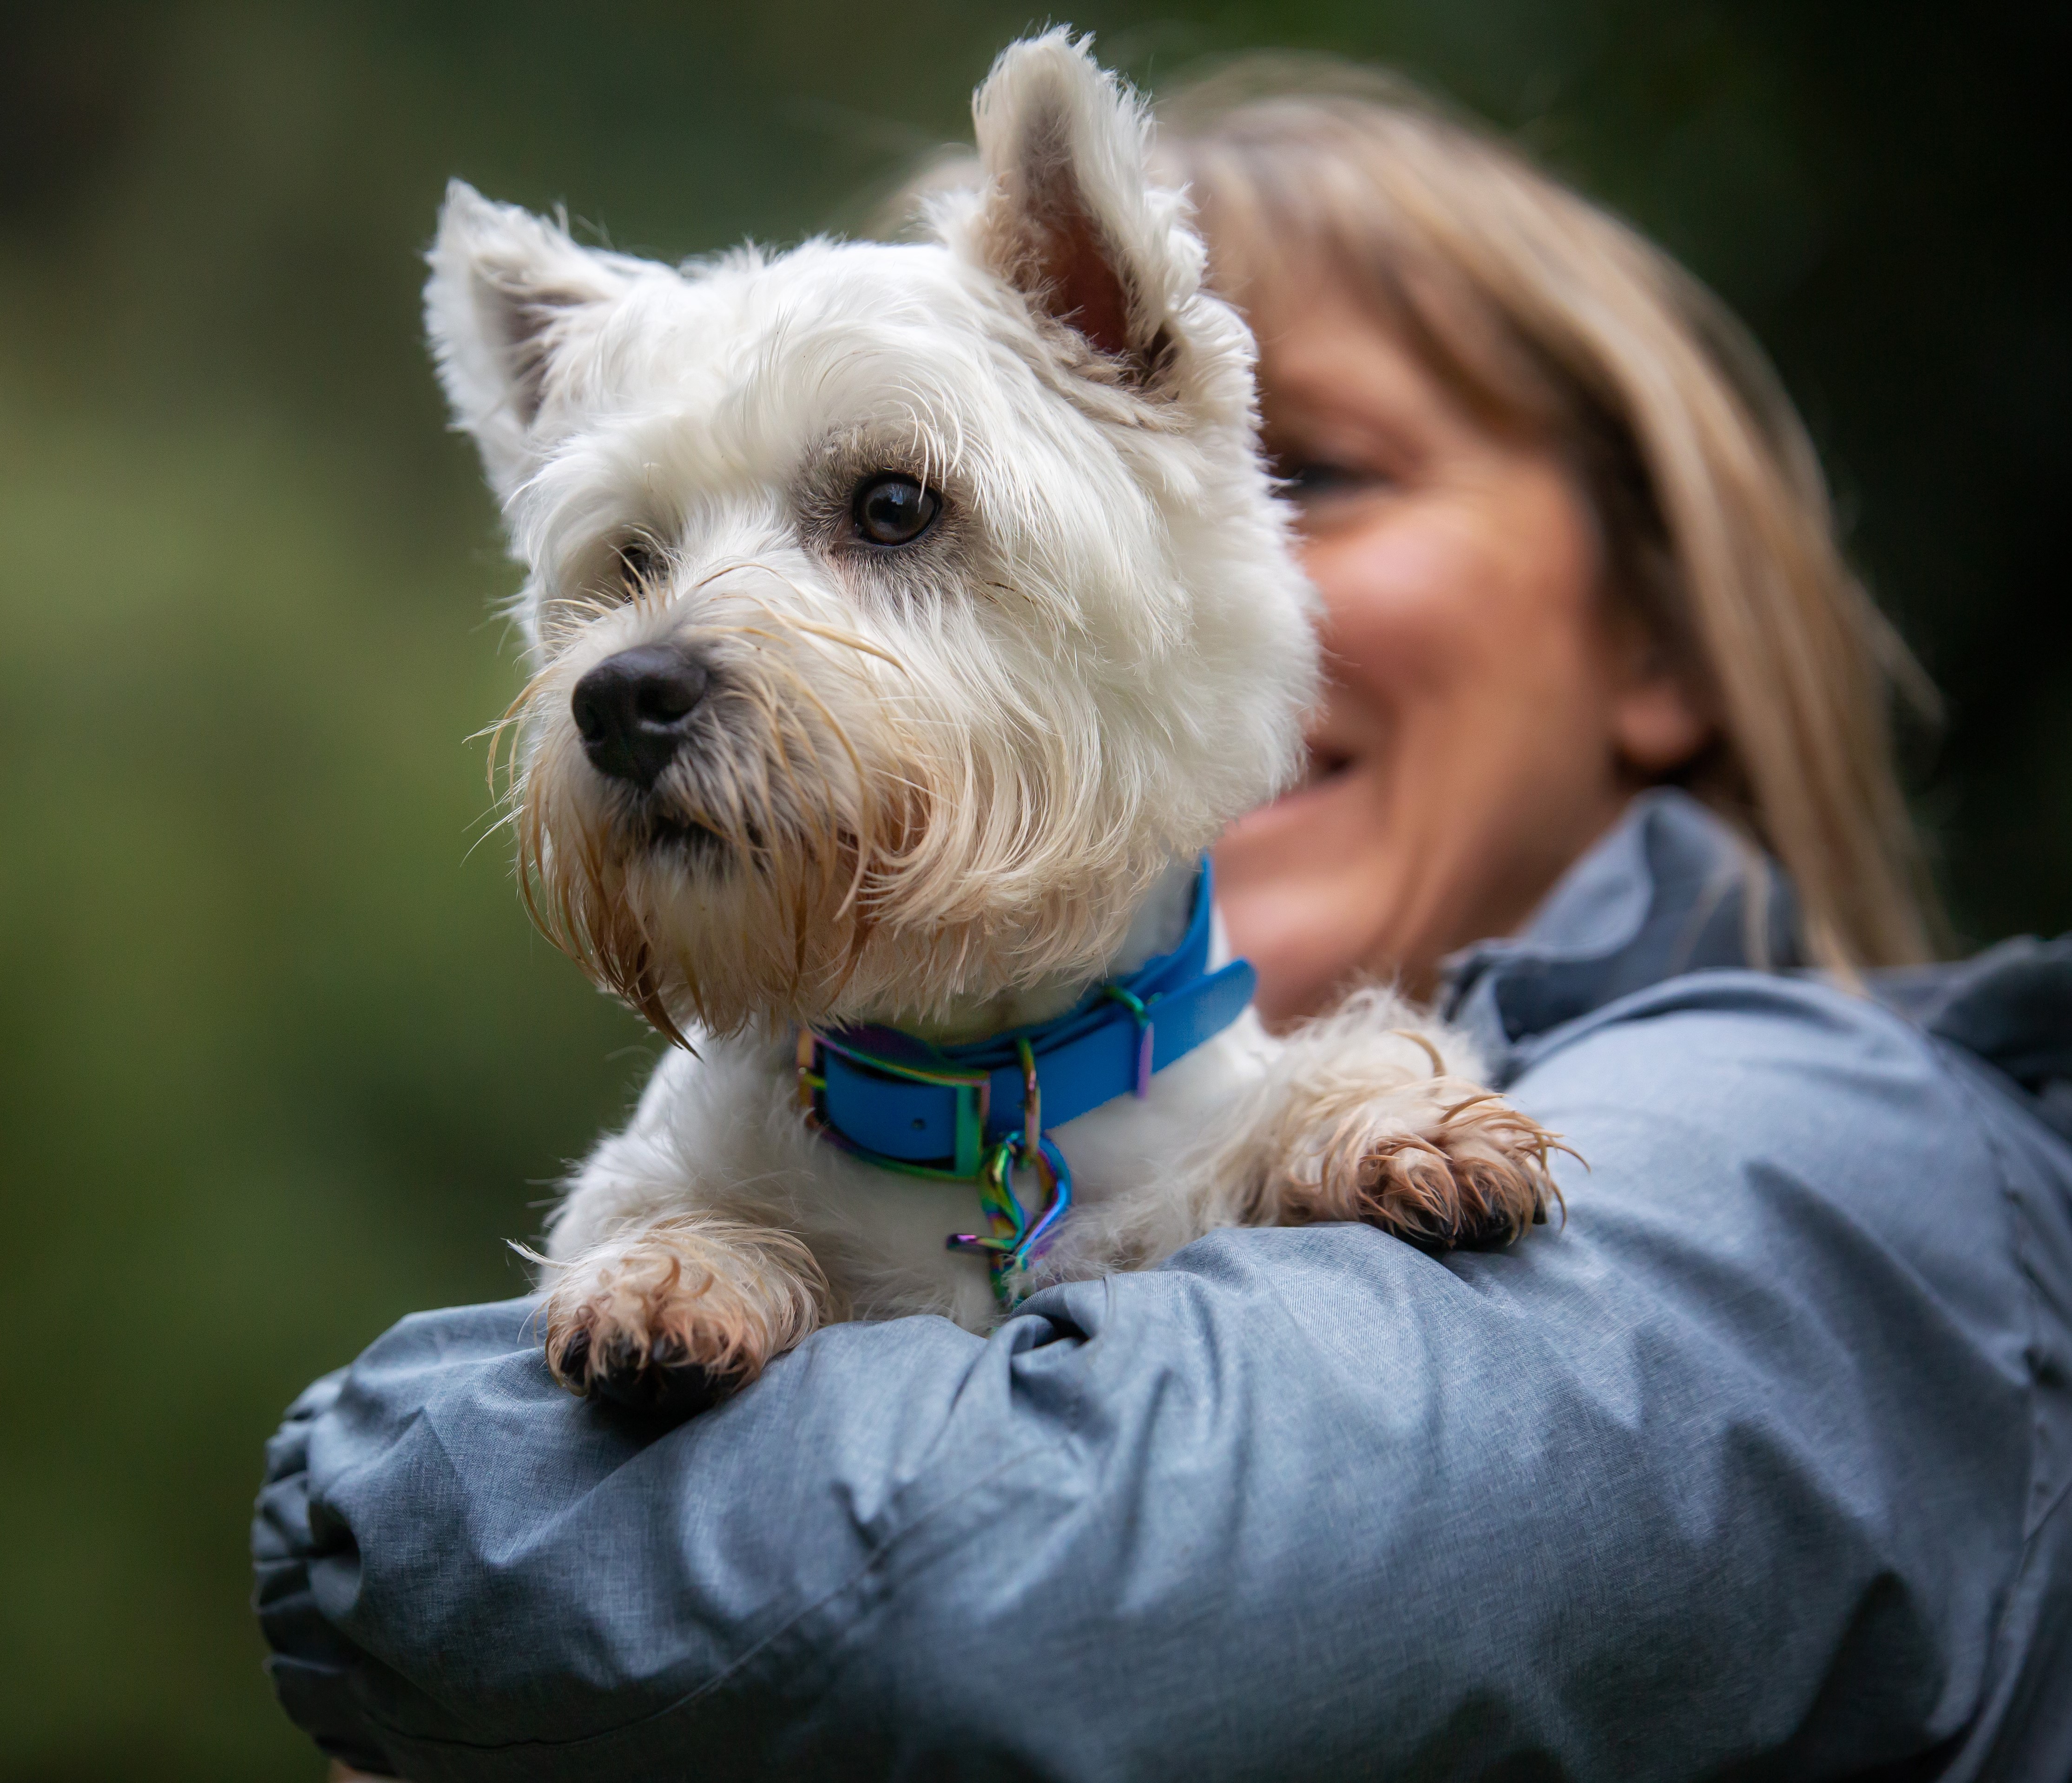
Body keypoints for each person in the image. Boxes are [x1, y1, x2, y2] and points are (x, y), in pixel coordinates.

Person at [254, 60, 2072, 1781]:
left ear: (1660, 632)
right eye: (631, 566)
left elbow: (1035, 1620)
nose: (1230, 552)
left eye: (890, 511)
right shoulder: (814, 1142)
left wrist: (403, 1514)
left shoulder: (1858, 1176)